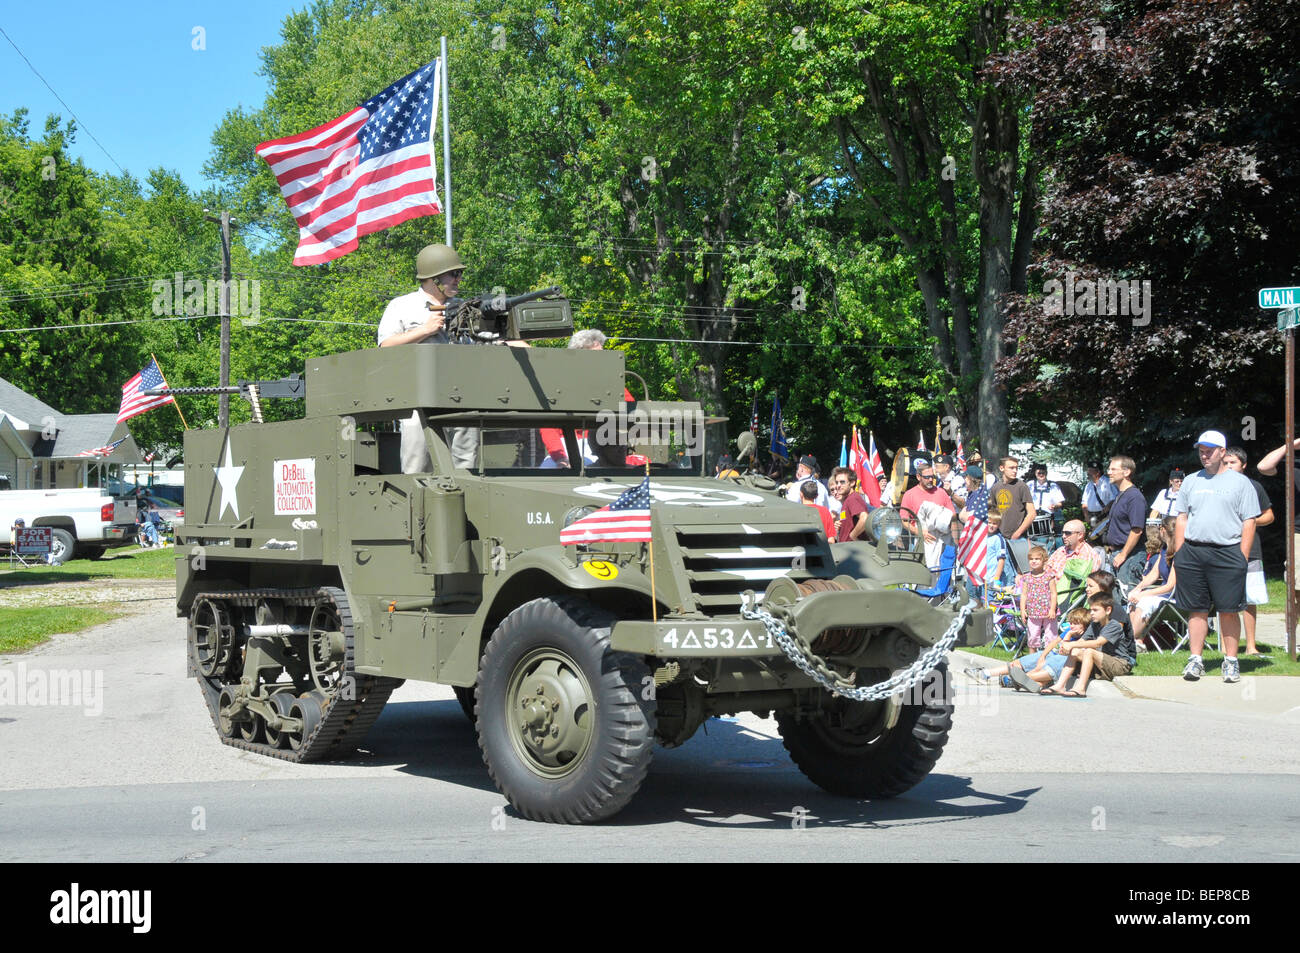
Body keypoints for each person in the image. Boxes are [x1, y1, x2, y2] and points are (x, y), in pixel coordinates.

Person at [377, 243, 477, 471]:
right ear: (434, 277)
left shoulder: (465, 308)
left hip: (461, 397)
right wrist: (425, 330)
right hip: (418, 399)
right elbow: (386, 345)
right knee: (417, 468)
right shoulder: (402, 306)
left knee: (467, 468)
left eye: (459, 273)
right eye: (454, 274)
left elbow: (489, 340)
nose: (459, 279)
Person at [1173, 430, 1260, 684]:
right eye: (1201, 451)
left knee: (1229, 610)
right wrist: (1180, 553)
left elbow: (1249, 521)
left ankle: (1231, 661)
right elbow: (1182, 517)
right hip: (1193, 551)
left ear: (1222, 452)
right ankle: (1195, 659)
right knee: (1197, 609)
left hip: (1228, 551)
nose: (1204, 455)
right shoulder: (1191, 481)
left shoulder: (1240, 483)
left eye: (1209, 451)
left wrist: (1242, 556)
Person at [967, 606, 1090, 692]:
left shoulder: (1086, 636)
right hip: (1052, 654)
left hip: (1062, 660)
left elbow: (1064, 650)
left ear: (1084, 624)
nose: (1071, 626)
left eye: (1075, 623)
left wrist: (1068, 636)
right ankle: (986, 674)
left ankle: (1014, 680)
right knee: (1019, 663)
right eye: (1071, 623)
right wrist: (1042, 656)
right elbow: (1054, 643)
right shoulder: (1069, 631)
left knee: (1046, 668)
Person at [1223, 446, 1273, 656]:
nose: (1228, 466)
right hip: (1223, 549)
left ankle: (1251, 646)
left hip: (1251, 550)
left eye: (1233, 462)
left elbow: (1269, 516)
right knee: (1225, 598)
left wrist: (1249, 521)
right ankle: (1226, 647)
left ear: (1243, 465)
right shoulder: (1216, 486)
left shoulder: (1254, 486)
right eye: (1225, 463)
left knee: (1250, 599)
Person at [1040, 592, 1135, 697]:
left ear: (1108, 610)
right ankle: (1060, 685)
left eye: (1095, 610)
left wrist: (1072, 645)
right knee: (1075, 651)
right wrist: (1067, 646)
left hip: (1119, 665)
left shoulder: (1114, 625)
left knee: (1089, 651)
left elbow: (1098, 643)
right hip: (1102, 664)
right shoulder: (1094, 625)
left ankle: (1081, 688)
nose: (1091, 613)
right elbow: (1081, 642)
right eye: (1091, 610)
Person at [1256, 436, 1300, 595]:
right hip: (1299, 533)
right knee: (1296, 586)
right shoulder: (1295, 465)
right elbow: (1263, 467)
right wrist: (1291, 444)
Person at [1127, 518, 1178, 646]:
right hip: (1164, 594)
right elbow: (1154, 574)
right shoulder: (1164, 548)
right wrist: (1138, 589)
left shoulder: (1179, 551)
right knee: (1133, 599)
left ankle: (1127, 641)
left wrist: (1143, 594)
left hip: (1176, 597)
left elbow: (1170, 586)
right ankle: (1137, 641)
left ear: (1163, 530)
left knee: (1145, 601)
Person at [901, 461, 955, 568]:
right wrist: (919, 532)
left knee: (943, 572)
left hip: (943, 540)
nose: (930, 479)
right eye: (927, 477)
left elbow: (952, 516)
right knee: (923, 571)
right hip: (922, 540)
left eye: (932, 476)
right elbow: (904, 521)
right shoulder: (909, 494)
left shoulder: (941, 492)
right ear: (918, 477)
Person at [1104, 455, 1147, 587]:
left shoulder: (1134, 497)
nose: (1109, 472)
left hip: (1130, 557)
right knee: (1116, 595)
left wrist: (1123, 554)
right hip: (1118, 554)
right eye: (1109, 469)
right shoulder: (1121, 495)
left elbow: (1137, 530)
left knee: (1127, 596)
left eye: (1113, 469)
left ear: (1126, 472)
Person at [990, 456, 1036, 572]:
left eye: (1016, 468)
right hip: (1000, 538)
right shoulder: (995, 488)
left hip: (1019, 539)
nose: (1015, 471)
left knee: (1023, 572)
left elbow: (1032, 514)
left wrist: (1017, 533)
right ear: (1002, 468)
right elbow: (993, 513)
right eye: (1011, 468)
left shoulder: (1021, 486)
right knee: (1005, 574)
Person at [1019, 544, 1059, 651]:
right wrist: (1022, 610)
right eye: (1031, 559)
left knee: (1051, 636)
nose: (1034, 561)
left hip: (1048, 612)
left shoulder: (1049, 576)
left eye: (1037, 559)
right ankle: (1032, 657)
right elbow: (1024, 594)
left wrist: (1052, 609)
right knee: (1033, 636)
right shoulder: (1027, 577)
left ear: (1044, 560)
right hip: (1033, 611)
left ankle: (1050, 655)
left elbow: (1053, 593)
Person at [828, 466, 871, 542]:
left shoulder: (852, 498)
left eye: (842, 482)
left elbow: (865, 518)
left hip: (852, 547)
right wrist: (840, 525)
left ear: (852, 483)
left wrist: (853, 535)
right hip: (846, 546)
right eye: (837, 482)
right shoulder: (847, 500)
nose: (838, 485)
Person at [1029, 463, 1066, 528]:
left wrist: (1054, 506)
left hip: (1048, 518)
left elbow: (1060, 503)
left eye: (1043, 473)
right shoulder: (1029, 485)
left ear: (1046, 473)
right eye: (1039, 473)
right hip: (1032, 518)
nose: (1041, 475)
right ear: (1035, 473)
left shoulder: (1053, 486)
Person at [1081, 462, 1117, 528]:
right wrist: (1086, 516)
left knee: (1104, 534)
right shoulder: (1088, 485)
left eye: (1090, 471)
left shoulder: (1108, 483)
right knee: (1094, 534)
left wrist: (1107, 507)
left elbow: (1115, 498)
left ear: (1098, 472)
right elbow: (1084, 503)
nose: (1087, 473)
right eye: (1088, 470)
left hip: (1105, 516)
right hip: (1092, 518)